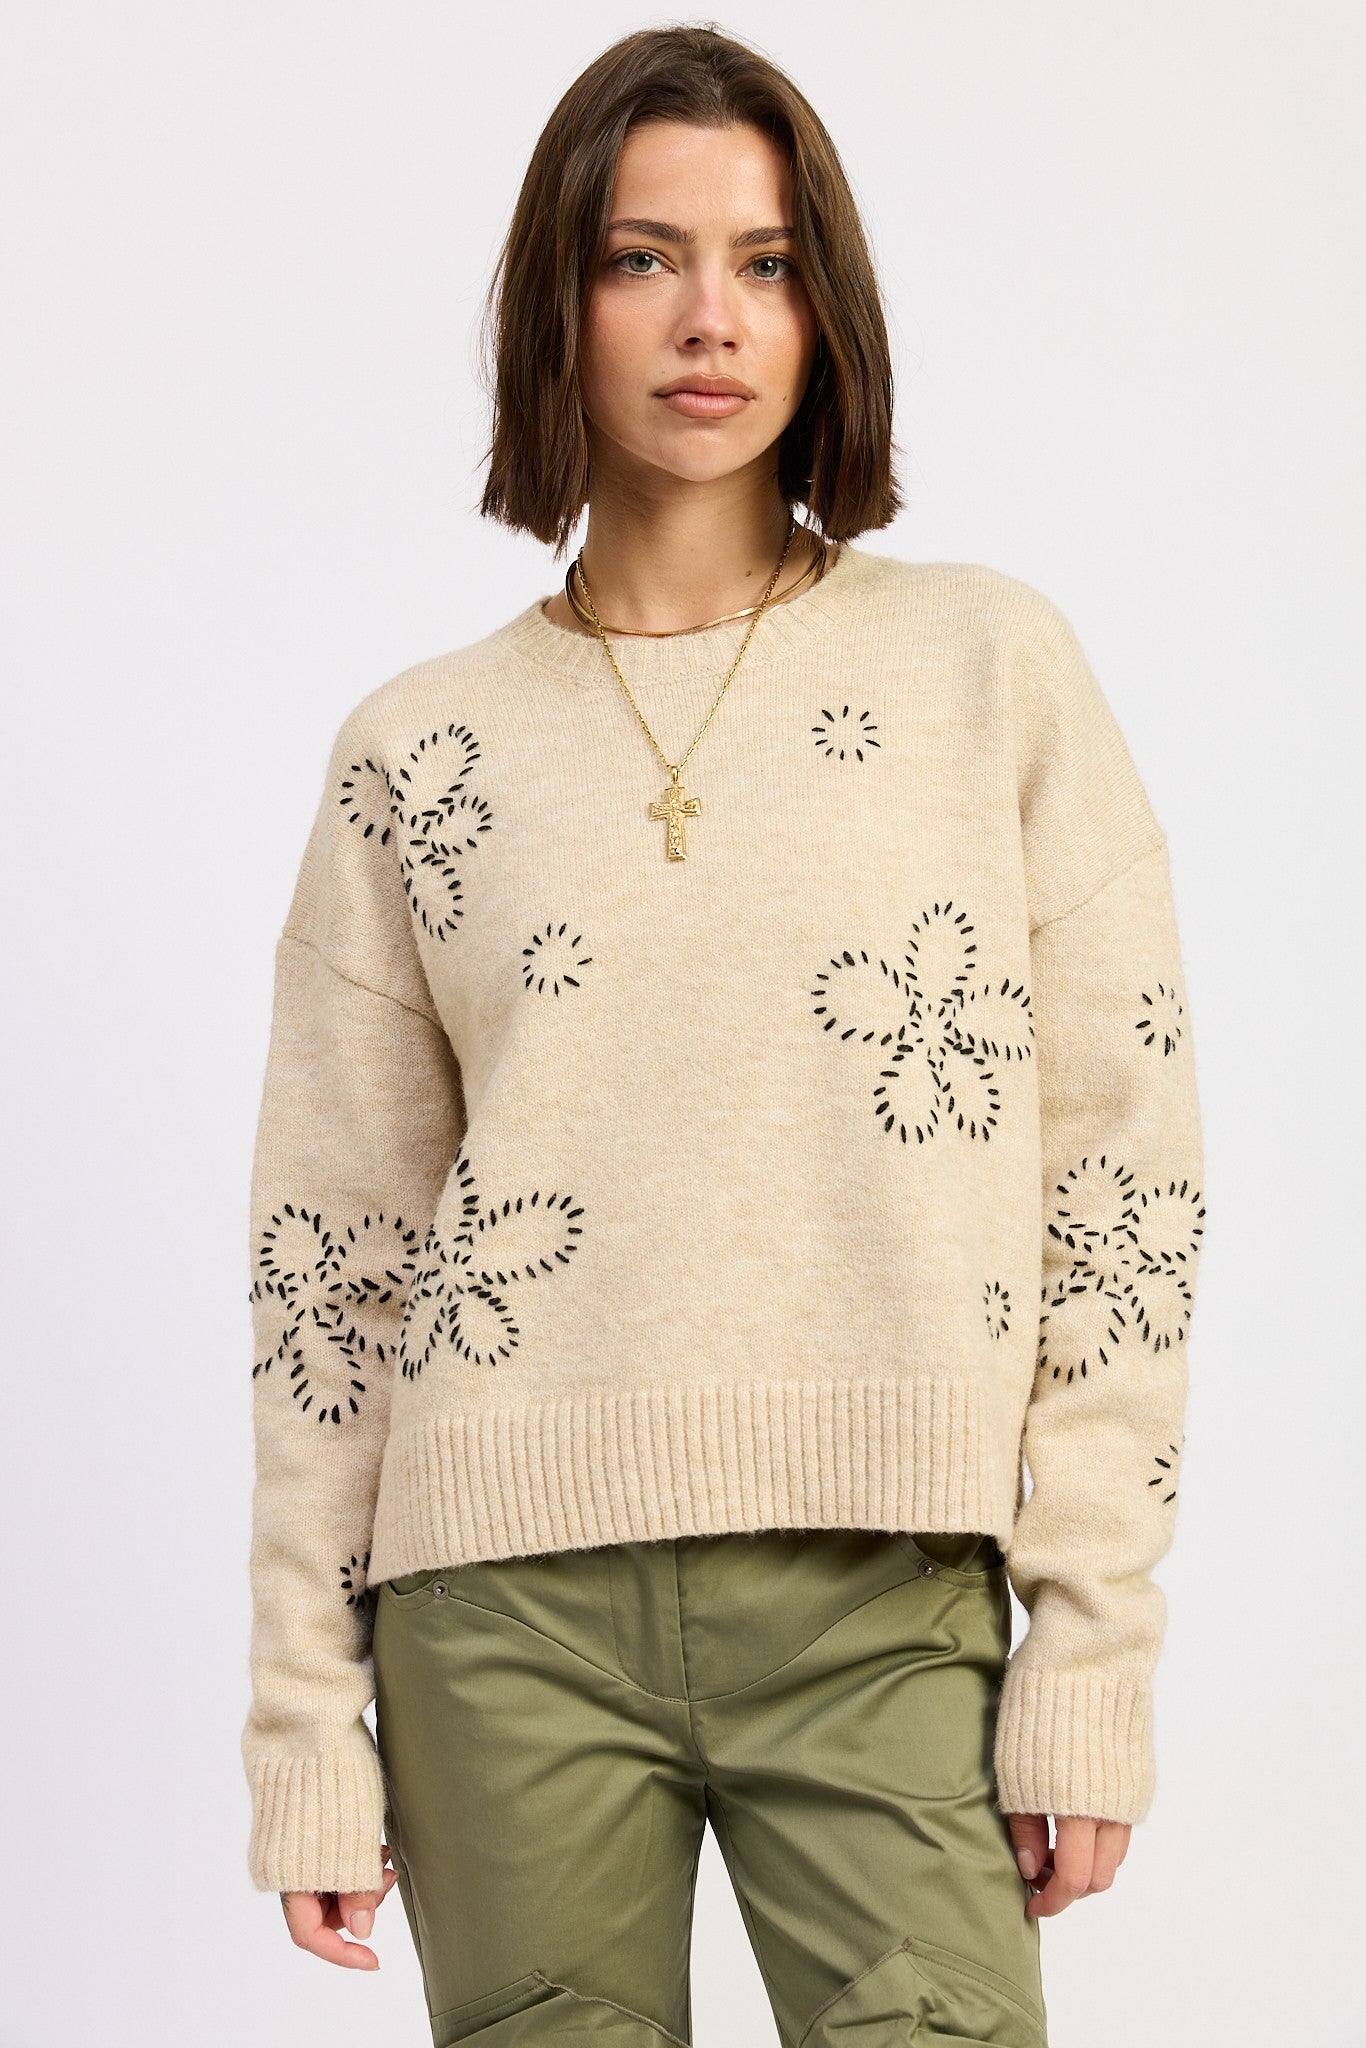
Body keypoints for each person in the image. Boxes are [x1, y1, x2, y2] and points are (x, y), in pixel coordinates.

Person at [240, 24, 1205, 2045]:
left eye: (765, 263)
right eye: (640, 259)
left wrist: (1088, 1650)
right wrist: (305, 1720)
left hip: (883, 1600)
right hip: (496, 1621)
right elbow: (332, 1262)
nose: (710, 320)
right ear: (557, 306)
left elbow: (1118, 1178)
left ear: (825, 307)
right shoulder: (418, 747)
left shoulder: (983, 668)